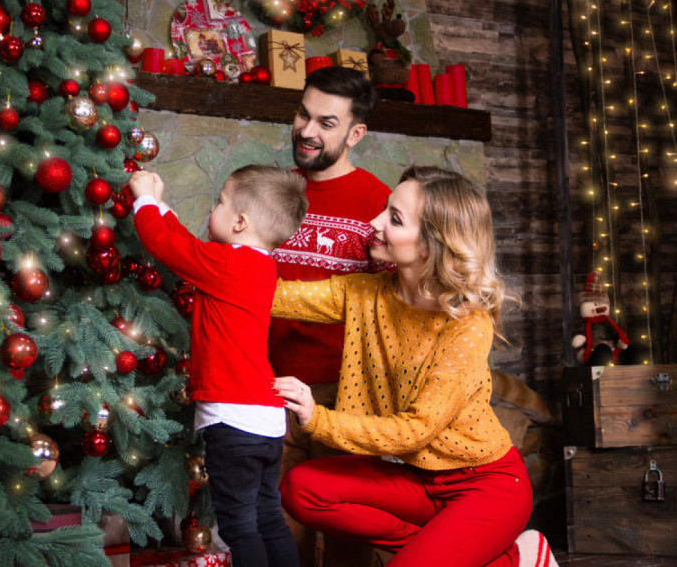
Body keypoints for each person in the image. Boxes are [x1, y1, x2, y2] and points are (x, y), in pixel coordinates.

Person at [271, 166, 559, 567]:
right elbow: (277, 296)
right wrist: (207, 260)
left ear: (429, 245)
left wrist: (317, 417)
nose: (374, 223)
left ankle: (513, 557)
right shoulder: (365, 293)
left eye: (394, 218)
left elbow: (415, 430)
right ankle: (479, 553)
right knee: (301, 487)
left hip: (487, 487)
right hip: (421, 484)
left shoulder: (467, 324)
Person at [129, 165, 308, 567]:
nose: (213, 209)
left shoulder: (226, 264)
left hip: (233, 418)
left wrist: (144, 198)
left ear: (241, 222)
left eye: (219, 203)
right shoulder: (258, 266)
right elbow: (188, 247)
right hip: (266, 420)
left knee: (239, 527)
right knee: (267, 517)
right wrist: (160, 205)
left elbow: (165, 245)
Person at [268, 65, 393, 566]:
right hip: (270, 386)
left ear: (355, 133)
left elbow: (391, 307)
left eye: (326, 122)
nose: (306, 130)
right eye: (303, 114)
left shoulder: (379, 204)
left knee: (346, 535)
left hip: (346, 397)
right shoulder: (275, 190)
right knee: (277, 527)